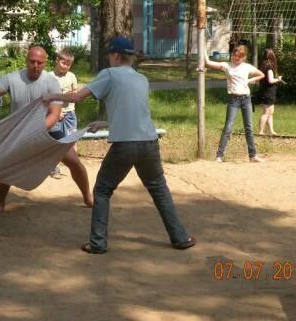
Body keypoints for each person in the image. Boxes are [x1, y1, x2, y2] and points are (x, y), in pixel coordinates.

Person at [42, 36, 195, 254]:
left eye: (110, 56)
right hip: (149, 143)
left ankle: (97, 243)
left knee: (102, 190)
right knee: (159, 189)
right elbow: (134, 113)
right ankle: (181, 238)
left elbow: (76, 98)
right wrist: (105, 123)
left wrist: (50, 96)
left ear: (115, 55)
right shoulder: (141, 79)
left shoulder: (109, 74)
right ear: (129, 57)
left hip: (126, 145)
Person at [0, 45, 93, 214]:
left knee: (74, 162)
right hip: (19, 132)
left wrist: (34, 132)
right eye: (32, 61)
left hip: (49, 130)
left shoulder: (51, 82)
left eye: (40, 62)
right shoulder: (13, 78)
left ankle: (87, 197)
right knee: (6, 162)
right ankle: (0, 202)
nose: (36, 65)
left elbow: (54, 114)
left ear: (45, 63)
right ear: (26, 60)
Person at [204, 44, 265, 163]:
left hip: (246, 99)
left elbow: (261, 75)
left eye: (238, 57)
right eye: (234, 55)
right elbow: (208, 63)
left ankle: (252, 155)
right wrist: (204, 51)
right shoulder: (227, 65)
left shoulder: (247, 67)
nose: (235, 58)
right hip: (233, 99)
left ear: (243, 57)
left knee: (249, 128)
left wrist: (249, 80)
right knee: (228, 127)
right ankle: (219, 155)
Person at [49, 48, 78, 179]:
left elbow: (76, 93)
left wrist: (69, 95)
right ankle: (54, 167)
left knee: (72, 140)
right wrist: (55, 110)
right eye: (63, 63)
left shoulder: (72, 76)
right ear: (57, 60)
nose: (65, 66)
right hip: (55, 115)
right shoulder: (49, 76)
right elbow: (47, 97)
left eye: (68, 64)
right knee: (57, 142)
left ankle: (75, 165)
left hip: (70, 114)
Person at [257, 48, 283, 136]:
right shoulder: (269, 68)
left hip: (266, 91)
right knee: (266, 113)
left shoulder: (263, 65)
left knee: (270, 113)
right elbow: (271, 80)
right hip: (268, 92)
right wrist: (278, 79)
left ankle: (271, 131)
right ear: (272, 56)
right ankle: (260, 131)